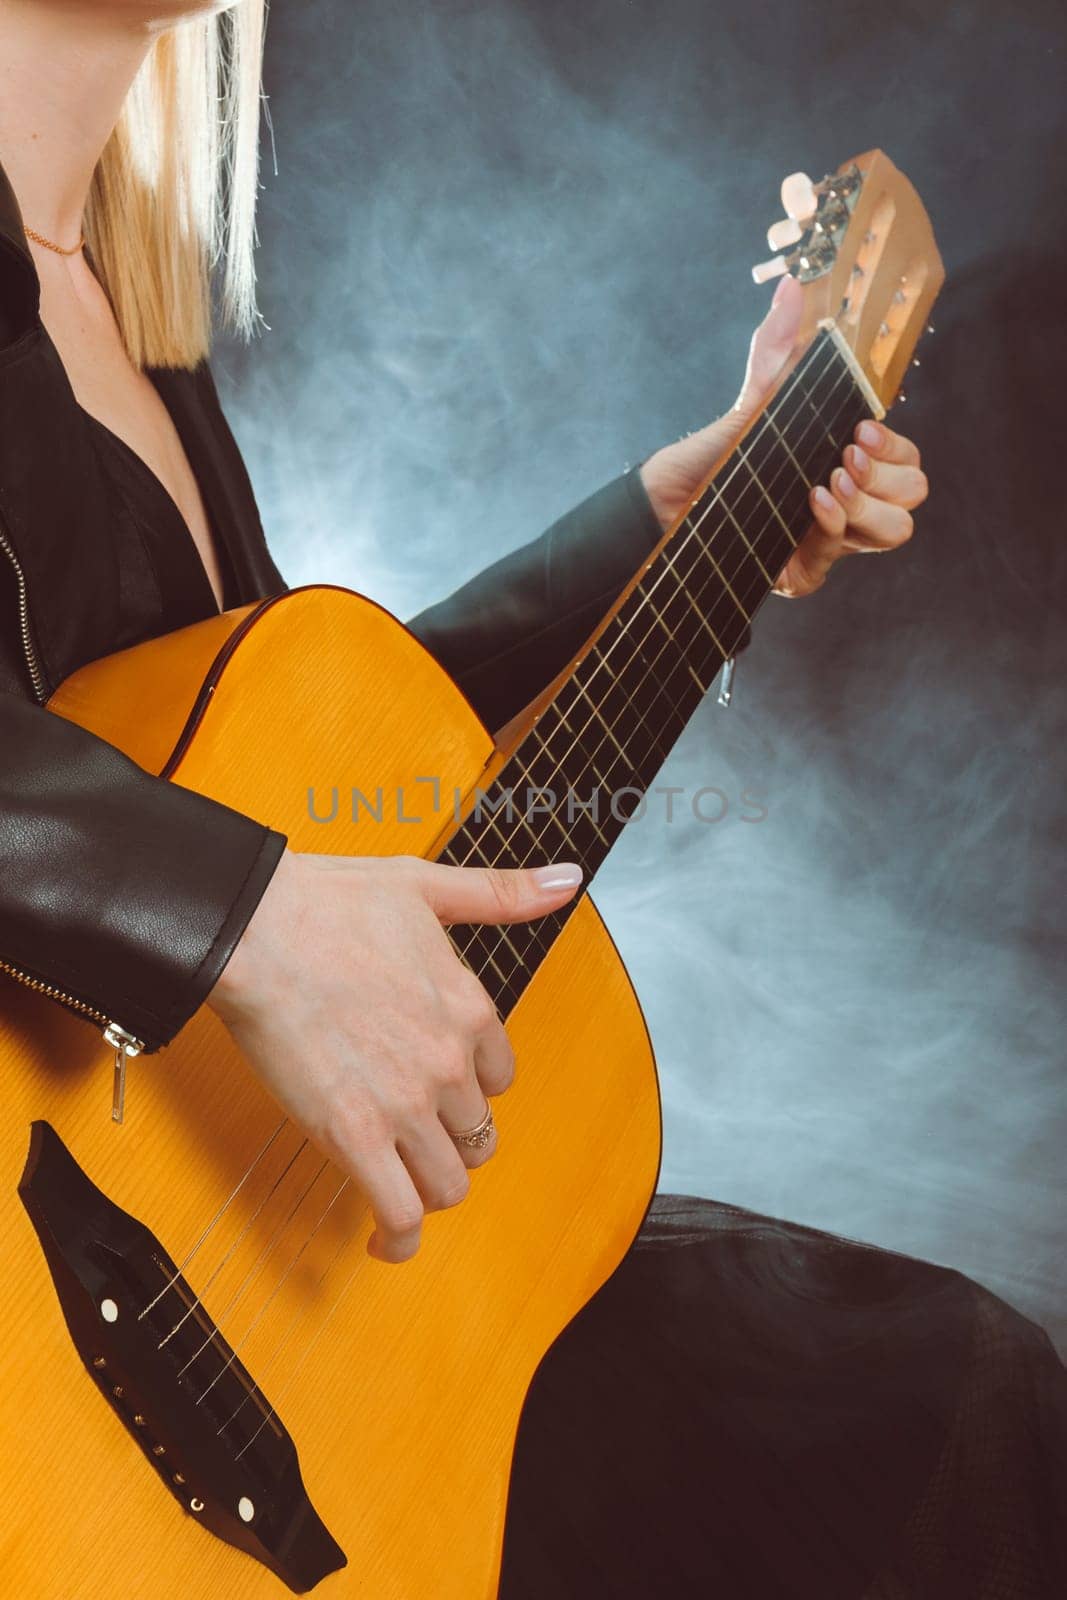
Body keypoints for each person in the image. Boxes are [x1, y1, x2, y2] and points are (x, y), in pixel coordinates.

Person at [0, 3, 1061, 1596]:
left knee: (954, 1399)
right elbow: (251, 875)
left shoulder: (136, 322)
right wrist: (253, 926)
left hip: (257, 1280)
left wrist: (676, 532)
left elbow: (282, 753)